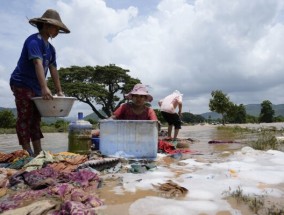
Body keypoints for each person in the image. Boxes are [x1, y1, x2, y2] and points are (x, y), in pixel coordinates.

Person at [10, 9, 70, 156]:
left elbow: (53, 69)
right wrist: (44, 87)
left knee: (36, 118)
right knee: (25, 116)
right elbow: (37, 63)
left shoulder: (51, 49)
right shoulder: (33, 41)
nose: (57, 31)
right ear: (46, 26)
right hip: (21, 82)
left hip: (36, 86)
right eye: (56, 27)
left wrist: (59, 90)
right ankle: (26, 151)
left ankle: (38, 151)